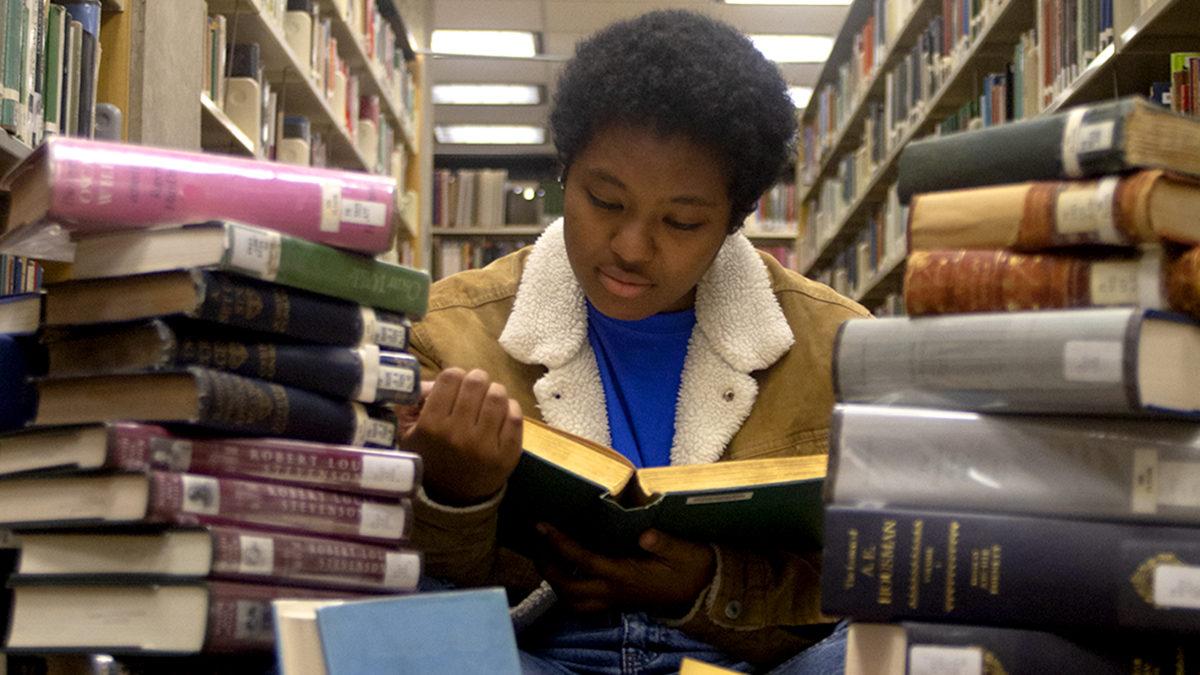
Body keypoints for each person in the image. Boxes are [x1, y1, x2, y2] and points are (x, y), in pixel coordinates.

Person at [397, 9, 869, 674]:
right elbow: (413, 580)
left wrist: (708, 584)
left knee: (933, 640)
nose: (631, 248)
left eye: (682, 222)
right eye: (605, 201)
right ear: (566, 173)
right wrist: (454, 498)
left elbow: (876, 573)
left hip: (749, 662)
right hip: (535, 655)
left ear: (733, 221)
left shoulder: (841, 346)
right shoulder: (447, 331)